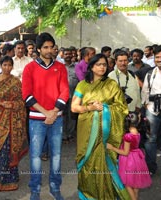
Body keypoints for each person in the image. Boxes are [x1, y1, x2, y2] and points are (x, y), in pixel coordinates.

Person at [71, 53, 130, 199]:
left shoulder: (111, 85)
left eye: (104, 64)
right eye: (99, 64)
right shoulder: (82, 85)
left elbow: (121, 108)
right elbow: (74, 107)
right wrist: (89, 108)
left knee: (106, 162)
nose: (102, 67)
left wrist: (104, 108)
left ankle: (107, 194)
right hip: (87, 132)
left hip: (106, 134)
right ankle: (88, 194)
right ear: (91, 66)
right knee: (88, 160)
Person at [22, 32, 69, 200]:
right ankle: (35, 189)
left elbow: (65, 92)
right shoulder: (30, 68)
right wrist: (46, 113)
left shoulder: (61, 67)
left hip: (56, 118)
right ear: (39, 49)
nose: (49, 50)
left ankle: (55, 187)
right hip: (36, 119)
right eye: (46, 47)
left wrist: (53, 112)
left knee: (56, 155)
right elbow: (27, 95)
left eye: (51, 47)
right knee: (35, 156)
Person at [0, 55, 28, 191]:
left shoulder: (16, 81)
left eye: (10, 65)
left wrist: (13, 104)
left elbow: (22, 101)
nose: (7, 68)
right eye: (5, 65)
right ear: (1, 66)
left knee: (11, 146)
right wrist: (2, 103)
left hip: (14, 119)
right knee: (1, 145)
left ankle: (12, 179)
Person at [107, 113, 152, 200]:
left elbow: (125, 152)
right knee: (136, 184)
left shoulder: (128, 136)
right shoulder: (137, 132)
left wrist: (112, 147)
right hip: (138, 159)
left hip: (129, 161)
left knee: (128, 185)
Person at [141, 45, 161, 174]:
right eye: (157, 57)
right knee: (150, 139)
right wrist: (146, 105)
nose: (159, 59)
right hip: (153, 109)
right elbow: (145, 92)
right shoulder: (150, 73)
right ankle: (150, 167)